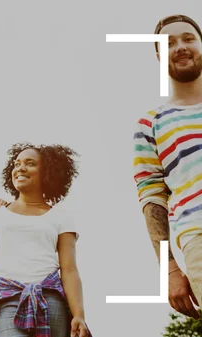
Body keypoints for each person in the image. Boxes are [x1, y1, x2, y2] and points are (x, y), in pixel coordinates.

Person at [0, 143, 91, 337]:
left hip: (50, 301)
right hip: (8, 300)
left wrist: (79, 315)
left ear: (47, 172)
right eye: (17, 164)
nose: (20, 168)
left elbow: (69, 270)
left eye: (30, 163)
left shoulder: (61, 218)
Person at [133, 14, 202, 319]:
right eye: (169, 43)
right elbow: (152, 201)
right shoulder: (151, 124)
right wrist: (170, 271)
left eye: (188, 38)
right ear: (160, 58)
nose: (180, 47)